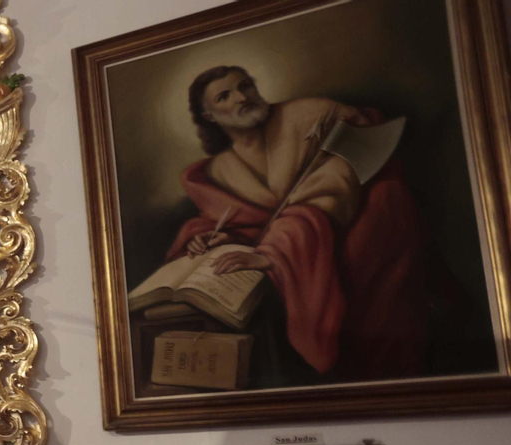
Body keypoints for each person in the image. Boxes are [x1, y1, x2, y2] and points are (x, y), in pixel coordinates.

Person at [168, 65, 440, 383]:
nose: (242, 97)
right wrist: (210, 238)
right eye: (225, 96)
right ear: (209, 115)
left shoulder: (315, 115)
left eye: (246, 86)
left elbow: (338, 181)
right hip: (294, 244)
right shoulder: (218, 171)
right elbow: (240, 221)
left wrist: (277, 250)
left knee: (383, 206)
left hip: (348, 226)